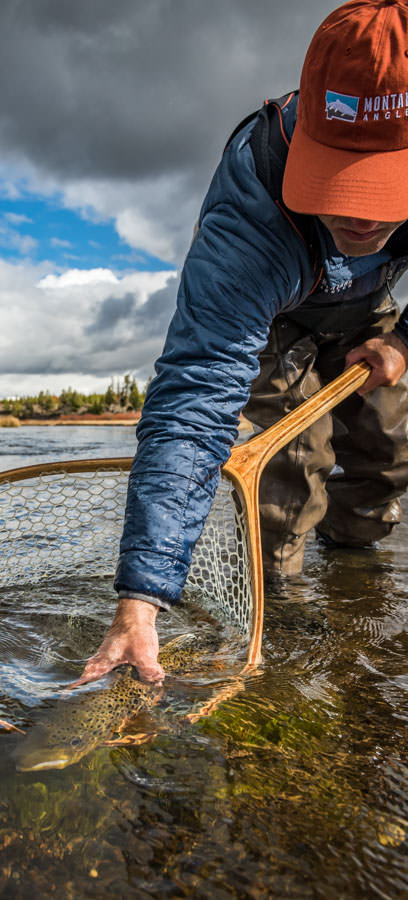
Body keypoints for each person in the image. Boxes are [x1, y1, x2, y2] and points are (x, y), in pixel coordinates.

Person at [75, 0, 408, 687]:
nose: (357, 212)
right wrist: (141, 597)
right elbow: (195, 394)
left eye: (383, 185)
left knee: (387, 450)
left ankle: (359, 597)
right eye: (338, 177)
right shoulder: (251, 207)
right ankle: (281, 633)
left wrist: (403, 337)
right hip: (277, 326)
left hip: (372, 313)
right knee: (288, 483)